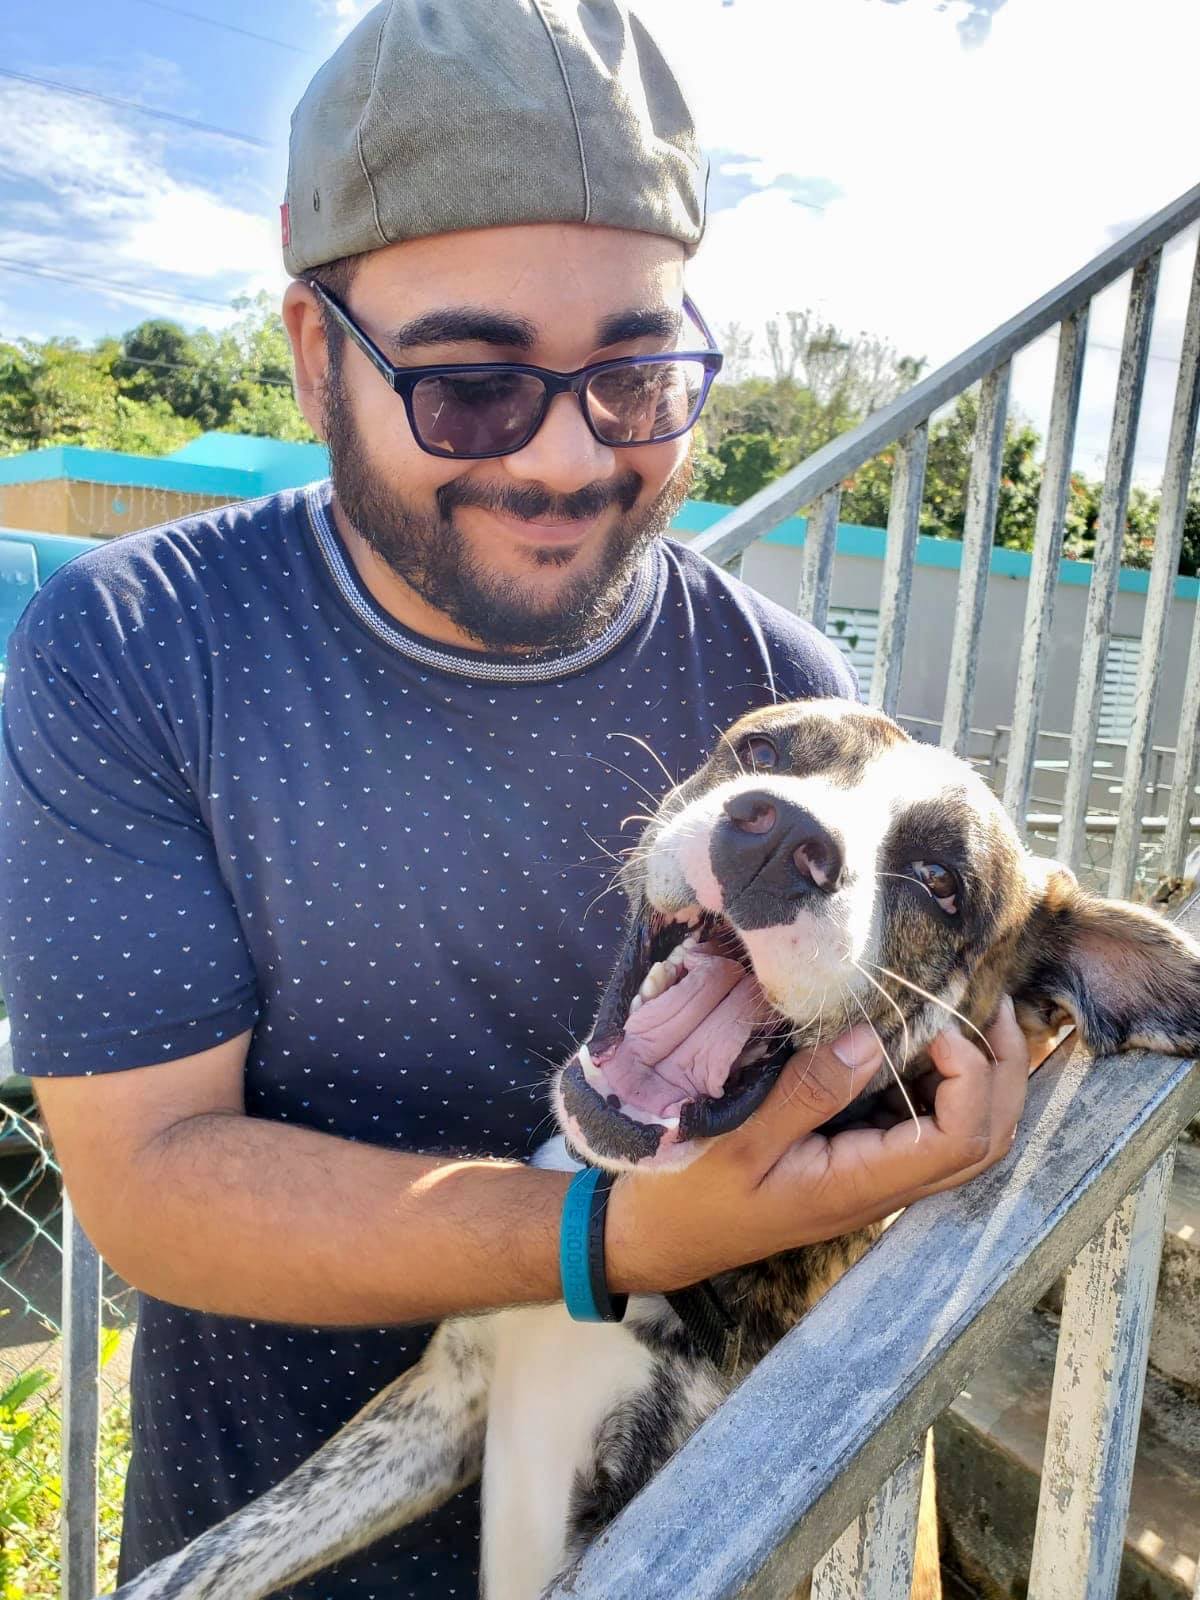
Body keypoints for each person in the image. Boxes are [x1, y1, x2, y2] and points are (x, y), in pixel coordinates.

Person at [0, 3, 1029, 1594]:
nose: (562, 458)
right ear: (311, 347)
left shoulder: (781, 710)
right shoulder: (140, 652)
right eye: (471, 384)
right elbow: (154, 1186)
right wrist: (609, 1240)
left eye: (636, 377)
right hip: (287, 1543)